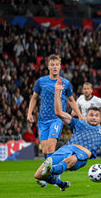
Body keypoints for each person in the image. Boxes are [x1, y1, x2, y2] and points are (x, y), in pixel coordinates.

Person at [27, 54, 83, 187]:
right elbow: (34, 97)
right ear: (48, 67)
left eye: (56, 65)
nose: (54, 67)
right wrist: (29, 112)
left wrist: (79, 115)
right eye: (52, 65)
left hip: (57, 118)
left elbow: (71, 99)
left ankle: (53, 173)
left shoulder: (65, 83)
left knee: (52, 145)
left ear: (60, 67)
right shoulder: (41, 81)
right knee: (45, 151)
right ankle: (54, 179)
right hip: (42, 120)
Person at [73, 82, 101, 158]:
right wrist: (79, 115)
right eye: (84, 89)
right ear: (82, 90)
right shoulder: (80, 99)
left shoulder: (97, 100)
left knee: (90, 142)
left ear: (91, 90)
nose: (86, 90)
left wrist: (99, 120)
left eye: (88, 89)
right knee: (88, 142)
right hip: (84, 125)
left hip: (94, 125)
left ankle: (88, 156)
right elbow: (73, 112)